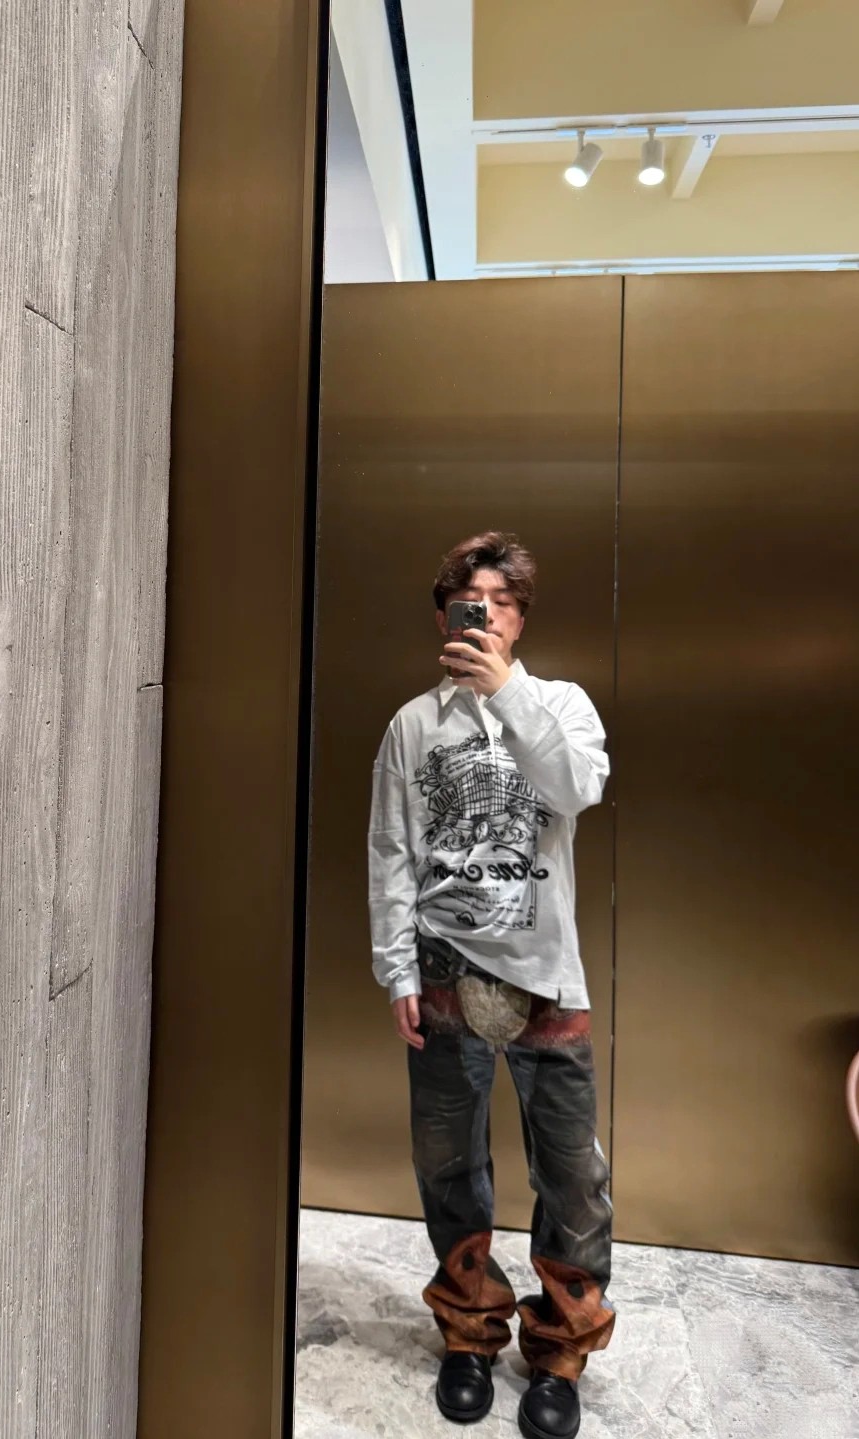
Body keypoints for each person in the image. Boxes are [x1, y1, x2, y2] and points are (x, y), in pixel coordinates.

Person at [367, 532, 615, 1438]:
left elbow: (576, 789)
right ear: (445, 616)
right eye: (470, 603)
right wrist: (394, 964)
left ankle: (558, 1350)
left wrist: (506, 691)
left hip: (547, 976)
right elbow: (390, 850)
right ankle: (468, 1332)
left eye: (502, 603)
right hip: (439, 968)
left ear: (519, 616)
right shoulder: (411, 725)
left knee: (571, 1173)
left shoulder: (561, 703)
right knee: (448, 1164)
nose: (488, 616)